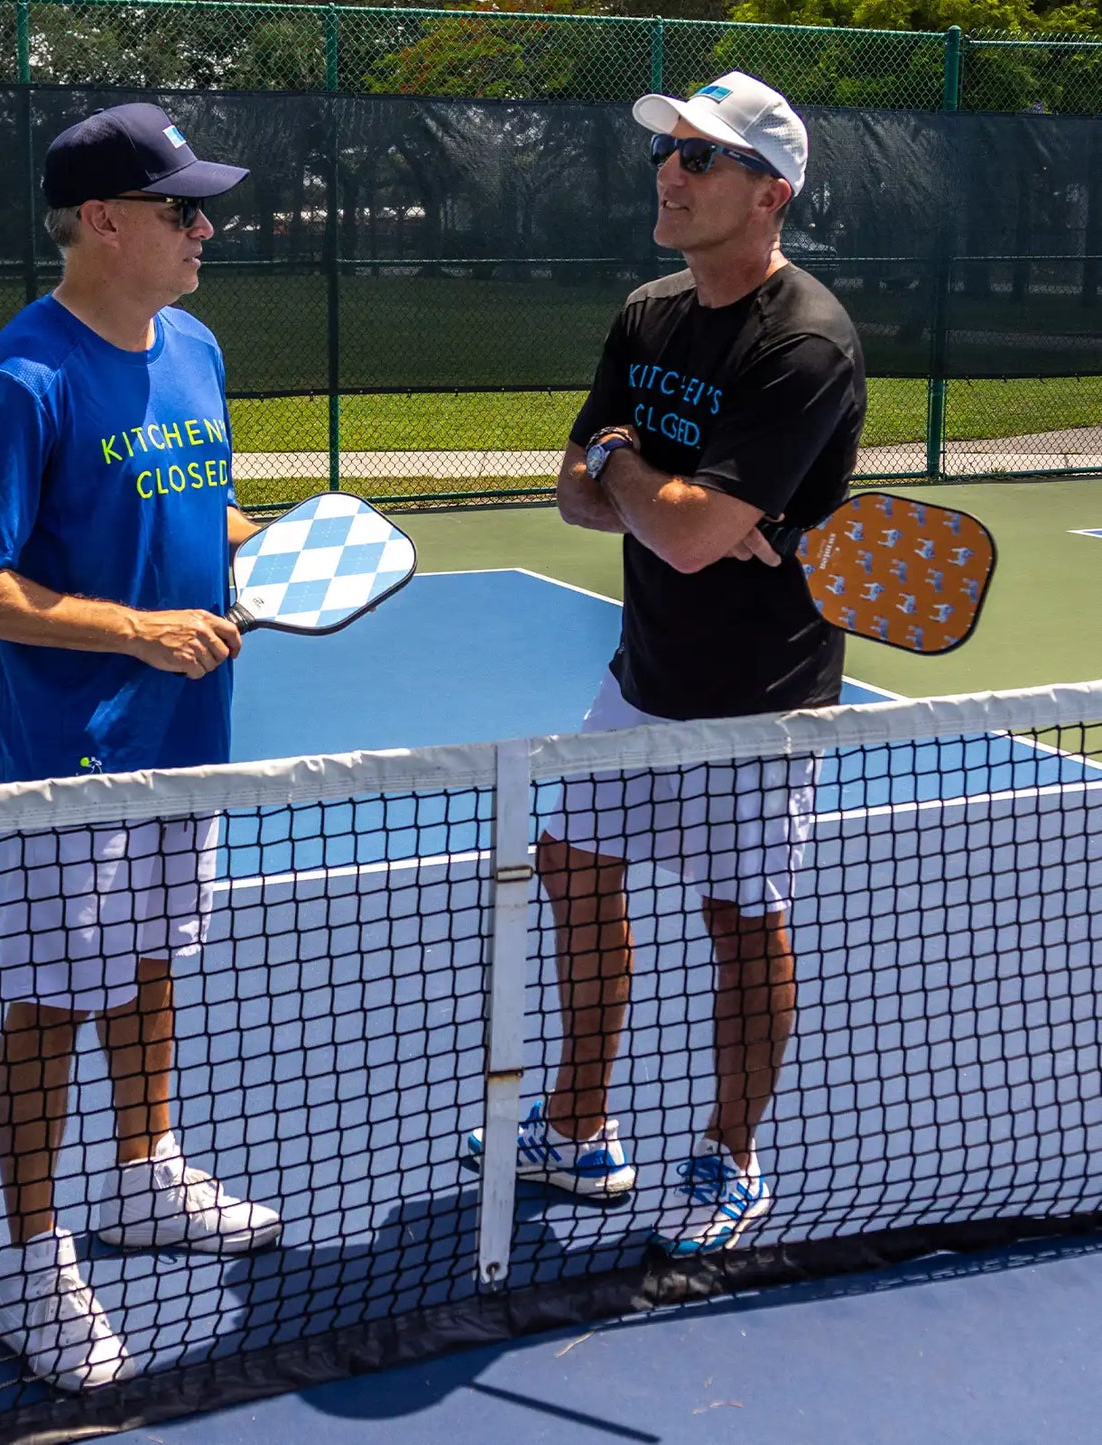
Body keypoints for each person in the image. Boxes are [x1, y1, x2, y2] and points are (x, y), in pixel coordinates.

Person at [467, 73, 866, 1256]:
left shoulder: (803, 341)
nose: (670, 173)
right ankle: (577, 1128)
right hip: (641, 672)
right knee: (571, 861)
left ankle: (730, 1154)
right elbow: (574, 498)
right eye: (669, 153)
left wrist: (634, 473)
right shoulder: (647, 314)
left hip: (763, 698)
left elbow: (675, 531)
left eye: (700, 158)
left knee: (741, 918)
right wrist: (654, 490)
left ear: (768, 194)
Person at [0, 101, 279, 1393]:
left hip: (192, 734)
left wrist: (270, 548)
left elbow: (203, 495)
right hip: (75, 756)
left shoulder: (195, 347)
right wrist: (135, 631)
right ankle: (26, 1256)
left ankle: (143, 1172)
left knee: (153, 961)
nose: (205, 228)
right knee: (57, 999)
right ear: (103, 222)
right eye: (182, 208)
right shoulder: (24, 380)